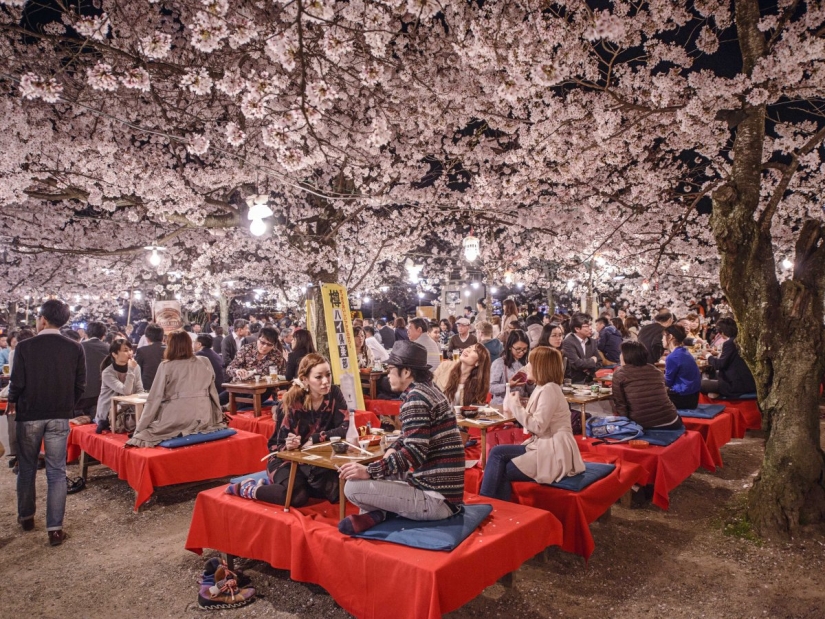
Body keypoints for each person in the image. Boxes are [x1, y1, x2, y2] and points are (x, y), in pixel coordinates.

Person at [337, 340, 465, 534]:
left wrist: (370, 470)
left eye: (390, 369)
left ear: (406, 372)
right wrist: (393, 449)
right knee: (380, 472)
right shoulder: (429, 390)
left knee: (352, 488)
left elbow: (414, 453)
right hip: (443, 490)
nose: (387, 375)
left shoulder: (416, 399)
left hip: (437, 499)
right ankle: (380, 515)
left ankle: (381, 516)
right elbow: (409, 438)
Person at [6, 300, 85, 545]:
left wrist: (12, 401)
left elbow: (17, 381)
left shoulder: (25, 346)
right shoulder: (74, 347)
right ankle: (55, 529)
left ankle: (27, 516)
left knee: (27, 467)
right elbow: (80, 384)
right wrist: (67, 404)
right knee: (56, 471)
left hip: (30, 413)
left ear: (42, 319)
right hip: (59, 414)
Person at [228, 353, 349, 506]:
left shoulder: (334, 393)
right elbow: (279, 446)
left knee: (339, 490)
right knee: (297, 496)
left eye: (328, 375)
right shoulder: (291, 401)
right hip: (284, 458)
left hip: (315, 459)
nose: (325, 381)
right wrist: (290, 445)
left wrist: (314, 438)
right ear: (305, 379)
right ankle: (249, 489)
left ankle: (305, 483)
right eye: (318, 377)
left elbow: (346, 427)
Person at [480, 347, 585, 500]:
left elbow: (538, 426)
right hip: (545, 444)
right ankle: (494, 506)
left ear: (540, 367)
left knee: (498, 465)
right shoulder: (544, 387)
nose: (526, 366)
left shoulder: (549, 389)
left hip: (553, 449)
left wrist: (515, 405)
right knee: (497, 453)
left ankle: (487, 503)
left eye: (530, 362)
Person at [126, 332, 226, 447]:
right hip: (203, 416)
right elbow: (212, 392)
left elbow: (154, 399)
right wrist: (217, 418)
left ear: (170, 346)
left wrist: (140, 428)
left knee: (146, 432)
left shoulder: (166, 366)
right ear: (189, 344)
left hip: (176, 418)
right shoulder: (204, 361)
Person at [611, 341, 683, 430]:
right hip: (672, 420)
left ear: (626, 356)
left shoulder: (620, 373)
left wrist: (626, 426)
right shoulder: (655, 370)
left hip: (645, 424)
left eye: (621, 353)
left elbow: (621, 404)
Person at [94, 338, 144, 433]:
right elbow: (126, 391)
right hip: (109, 410)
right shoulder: (108, 372)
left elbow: (139, 389)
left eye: (130, 349)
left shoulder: (135, 367)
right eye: (125, 350)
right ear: (114, 354)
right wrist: (130, 370)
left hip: (128, 407)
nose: (130, 353)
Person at [701, 317, 756, 398]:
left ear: (722, 332)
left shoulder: (730, 343)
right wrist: (718, 353)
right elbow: (734, 357)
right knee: (709, 374)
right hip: (748, 381)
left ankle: (719, 394)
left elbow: (719, 365)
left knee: (702, 384)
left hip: (736, 384)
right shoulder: (741, 340)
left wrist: (707, 355)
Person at [433, 342, 491, 406]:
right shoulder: (445, 366)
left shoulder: (479, 384)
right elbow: (429, 388)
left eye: (474, 351)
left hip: (462, 415)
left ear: (478, 362)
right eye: (469, 347)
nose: (467, 350)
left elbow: (477, 409)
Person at [74, 321, 110, 418]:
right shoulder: (109, 348)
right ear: (104, 335)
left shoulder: (79, 347)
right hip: (101, 392)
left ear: (86, 333)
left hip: (81, 393)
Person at [663, 325, 702, 409]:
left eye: (663, 335)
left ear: (670, 337)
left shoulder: (672, 357)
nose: (661, 339)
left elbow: (668, 382)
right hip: (693, 396)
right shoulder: (684, 351)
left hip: (682, 398)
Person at [489, 330, 530, 405]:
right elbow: (491, 388)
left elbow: (529, 391)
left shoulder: (527, 364)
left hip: (520, 405)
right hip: (501, 405)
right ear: (510, 347)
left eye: (524, 349)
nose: (521, 352)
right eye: (518, 349)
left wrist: (530, 383)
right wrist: (508, 385)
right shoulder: (499, 363)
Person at [561, 313, 601, 384]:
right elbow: (577, 363)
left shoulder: (592, 341)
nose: (590, 328)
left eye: (591, 325)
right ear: (577, 329)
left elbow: (599, 362)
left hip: (591, 381)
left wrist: (589, 370)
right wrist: (592, 360)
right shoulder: (568, 342)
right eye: (587, 326)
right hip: (575, 382)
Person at [134, 323, 165, 390]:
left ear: (147, 338)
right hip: (168, 386)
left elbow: (137, 370)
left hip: (148, 387)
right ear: (162, 337)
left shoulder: (142, 351)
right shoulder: (171, 350)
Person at [194, 333, 225, 398]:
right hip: (221, 388)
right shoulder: (214, 353)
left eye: (194, 342)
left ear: (199, 344)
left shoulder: (200, 354)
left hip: (212, 389)